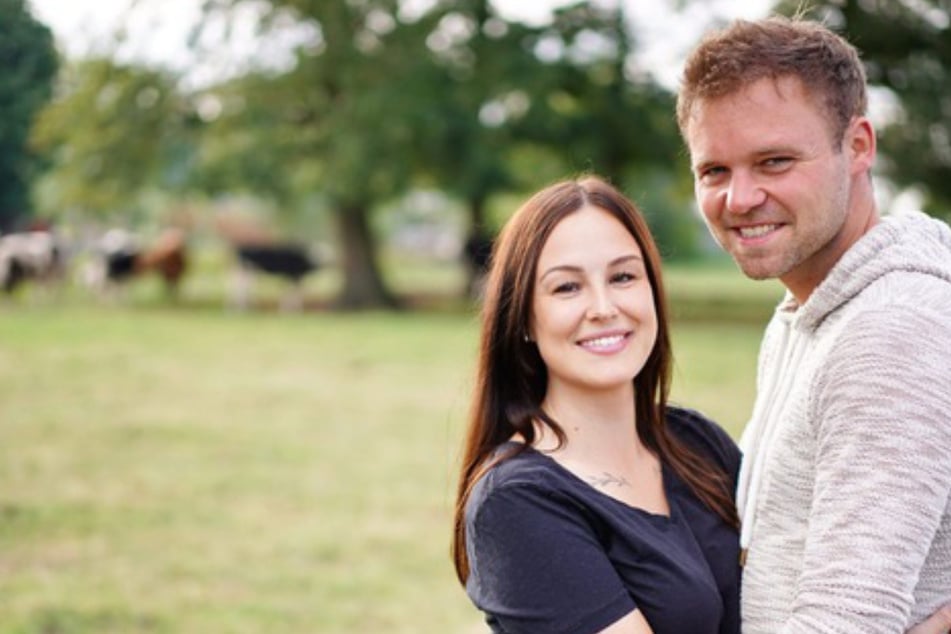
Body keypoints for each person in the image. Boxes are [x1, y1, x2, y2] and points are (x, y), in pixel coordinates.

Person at [677, 16, 951, 634]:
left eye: (774, 161)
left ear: (858, 146)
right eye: (713, 171)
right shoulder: (809, 309)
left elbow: (846, 620)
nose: (739, 198)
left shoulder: (890, 328)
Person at [451, 175, 743, 633]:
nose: (604, 307)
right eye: (567, 287)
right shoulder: (515, 503)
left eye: (623, 276)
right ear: (524, 318)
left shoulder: (698, 443)